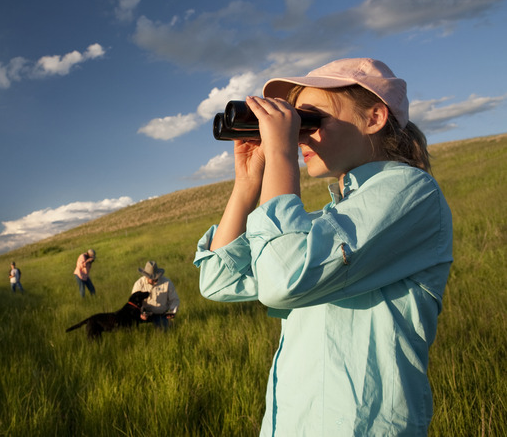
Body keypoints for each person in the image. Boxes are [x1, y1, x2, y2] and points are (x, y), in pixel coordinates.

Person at [193, 58, 453, 435]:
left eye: (310, 120)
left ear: (374, 117)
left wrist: (281, 155)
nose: (300, 137)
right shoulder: (329, 220)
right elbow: (218, 281)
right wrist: (248, 182)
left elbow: (284, 279)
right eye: (297, 125)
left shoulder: (411, 192)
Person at [132, 260, 179, 330]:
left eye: (153, 278)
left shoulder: (167, 283)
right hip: (143, 313)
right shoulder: (139, 284)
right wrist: (140, 313)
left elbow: (174, 300)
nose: (151, 280)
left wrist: (172, 311)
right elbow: (133, 302)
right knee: (131, 325)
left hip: (160, 314)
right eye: (149, 277)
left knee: (164, 330)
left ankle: (167, 324)